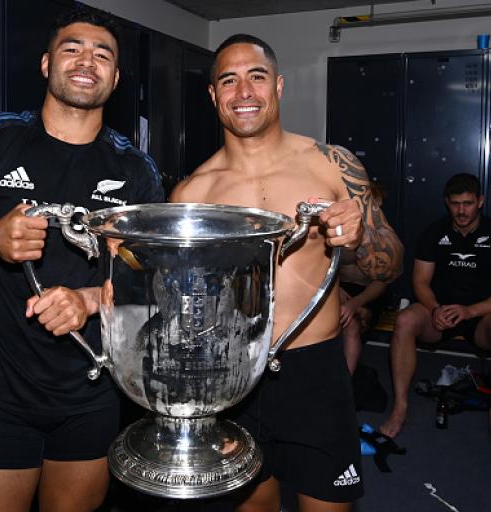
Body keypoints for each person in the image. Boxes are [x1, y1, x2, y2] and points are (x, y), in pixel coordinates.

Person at [0, 7, 164, 512]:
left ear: (115, 77)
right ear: (47, 64)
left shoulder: (136, 172)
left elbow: (155, 283)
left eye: (102, 53)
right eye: (72, 48)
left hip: (90, 394)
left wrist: (91, 300)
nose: (87, 60)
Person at [170, 34, 403, 512]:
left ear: (278, 86)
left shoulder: (333, 164)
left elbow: (391, 262)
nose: (244, 92)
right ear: (214, 95)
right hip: (232, 376)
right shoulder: (191, 193)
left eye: (256, 76)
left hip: (314, 372)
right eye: (228, 80)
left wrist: (357, 240)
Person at [380, 173, 491, 438]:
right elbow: (420, 282)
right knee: (405, 320)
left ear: (481, 202)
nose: (461, 211)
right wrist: (434, 309)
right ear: (447, 203)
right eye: (455, 204)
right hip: (439, 312)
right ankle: (400, 409)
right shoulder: (434, 233)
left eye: (467, 203)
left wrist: (470, 311)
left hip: (481, 315)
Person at [339, 182, 389, 374]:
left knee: (351, 326)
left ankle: (346, 388)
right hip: (337, 290)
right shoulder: (339, 231)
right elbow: (322, 270)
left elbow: (382, 282)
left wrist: (356, 304)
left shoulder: (384, 239)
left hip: (368, 294)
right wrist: (340, 297)